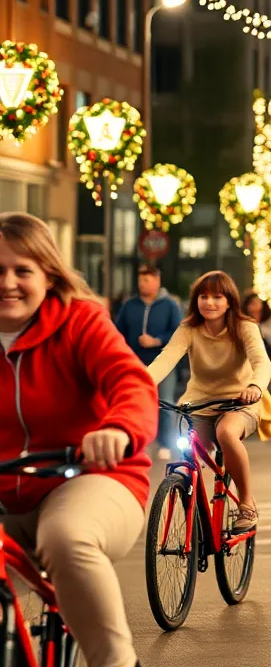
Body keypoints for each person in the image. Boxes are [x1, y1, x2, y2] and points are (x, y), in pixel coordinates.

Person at [0, 213, 158, 667]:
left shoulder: (80, 320)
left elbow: (130, 383)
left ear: (48, 275)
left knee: (68, 538)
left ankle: (116, 661)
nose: (8, 282)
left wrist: (117, 429)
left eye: (22, 270)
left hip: (88, 477)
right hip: (6, 489)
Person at [147, 271, 271, 532]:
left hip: (239, 401)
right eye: (203, 296)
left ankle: (246, 502)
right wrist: (140, 385)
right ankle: (195, 501)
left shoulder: (245, 327)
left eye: (217, 297)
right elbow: (164, 360)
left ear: (229, 301)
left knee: (226, 433)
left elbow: (261, 363)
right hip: (198, 402)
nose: (209, 303)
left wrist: (254, 386)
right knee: (190, 451)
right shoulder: (189, 329)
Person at [114, 264, 182, 459]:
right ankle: (137, 442)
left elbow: (179, 333)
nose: (142, 284)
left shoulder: (169, 305)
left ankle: (166, 443)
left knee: (165, 403)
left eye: (147, 279)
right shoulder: (130, 305)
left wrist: (157, 340)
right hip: (135, 362)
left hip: (164, 362)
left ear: (157, 281)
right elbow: (118, 331)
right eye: (140, 280)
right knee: (135, 402)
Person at [242, 290, 271, 359]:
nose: (254, 307)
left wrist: (261, 330)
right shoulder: (244, 322)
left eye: (257, 303)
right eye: (251, 304)